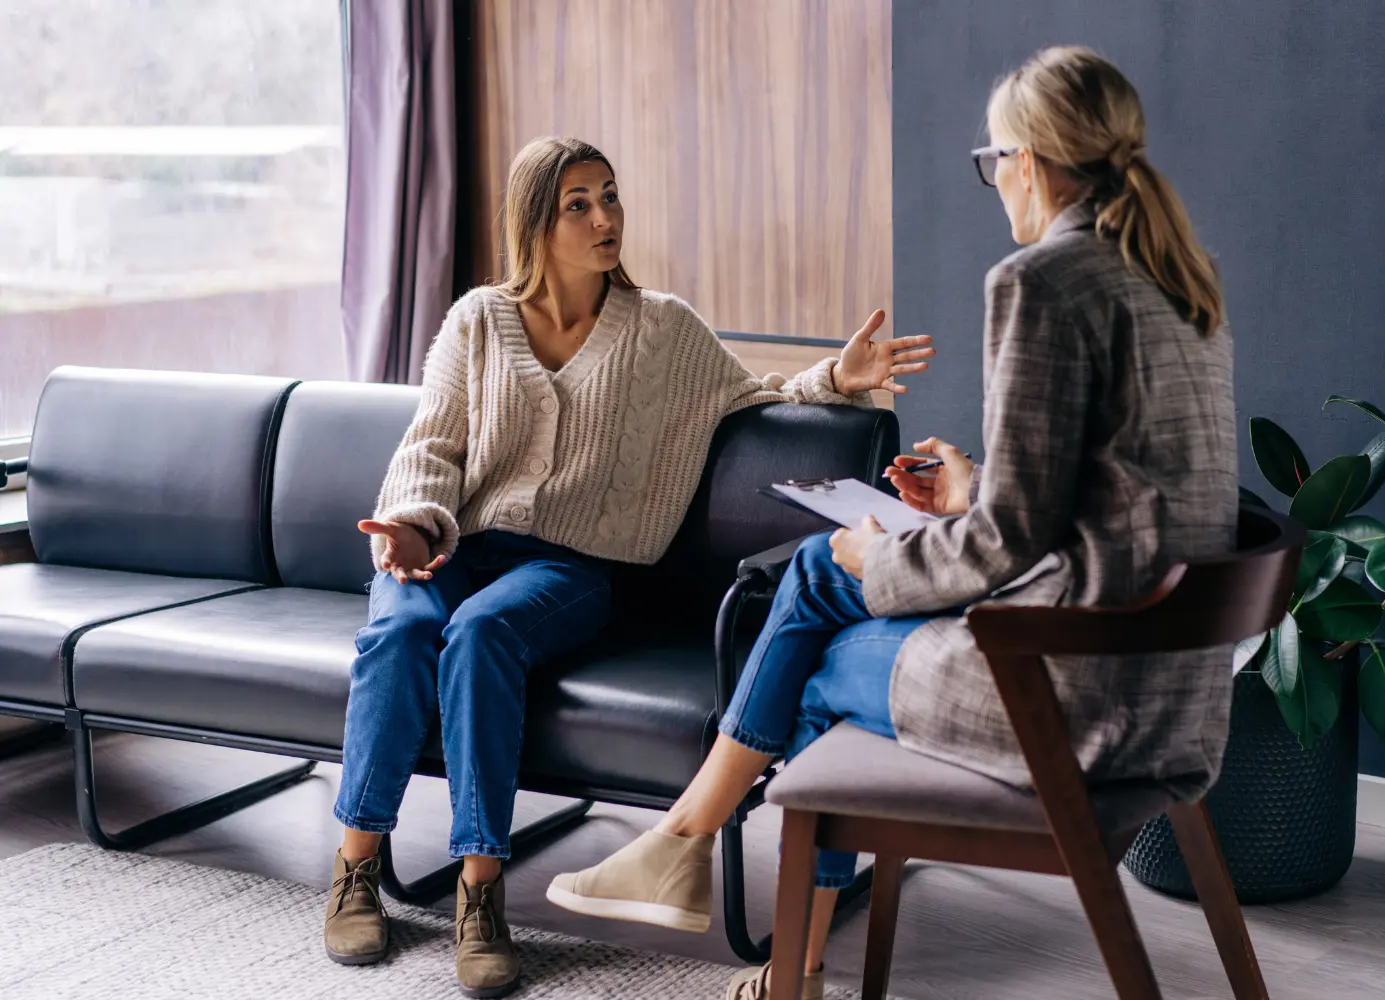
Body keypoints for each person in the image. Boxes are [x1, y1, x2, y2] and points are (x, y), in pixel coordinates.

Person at [548, 46, 1237, 1000]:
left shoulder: (1042, 282)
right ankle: (705, 869)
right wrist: (969, 490)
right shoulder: (1179, 282)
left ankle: (745, 916)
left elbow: (1008, 547)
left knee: (820, 648)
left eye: (994, 163)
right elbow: (1110, 497)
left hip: (1073, 698)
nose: (997, 184)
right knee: (826, 583)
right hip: (1170, 694)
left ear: (1028, 162)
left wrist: (886, 554)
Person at [321, 136, 936, 997]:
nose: (605, 217)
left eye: (610, 196)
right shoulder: (476, 320)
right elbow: (433, 446)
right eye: (579, 203)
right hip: (450, 541)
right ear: (536, 220)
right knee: (400, 633)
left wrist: (839, 375)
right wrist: (415, 530)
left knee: (481, 634)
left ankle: (480, 891)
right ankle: (355, 867)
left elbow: (749, 394)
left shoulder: (660, 330)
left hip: (567, 567)